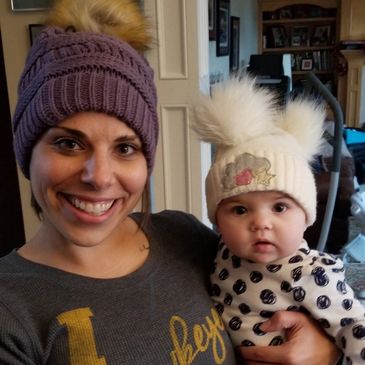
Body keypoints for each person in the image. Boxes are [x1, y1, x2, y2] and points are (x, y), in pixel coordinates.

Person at [0, 0, 340, 363]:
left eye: (126, 147)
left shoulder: (186, 236)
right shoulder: (10, 310)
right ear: (27, 149)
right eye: (68, 143)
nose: (98, 177)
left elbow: (289, 292)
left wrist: (325, 348)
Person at [192, 76, 365, 364]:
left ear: (307, 216)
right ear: (217, 220)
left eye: (280, 207)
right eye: (240, 210)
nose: (261, 223)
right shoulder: (221, 251)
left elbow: (354, 325)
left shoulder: (309, 273)